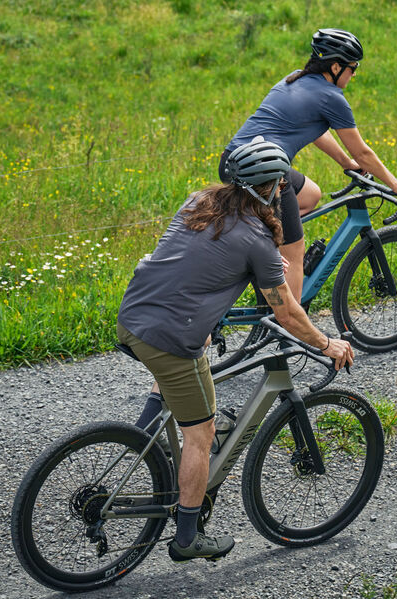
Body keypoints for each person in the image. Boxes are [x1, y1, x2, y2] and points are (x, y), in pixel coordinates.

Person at [117, 138, 355, 562]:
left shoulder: (200, 200)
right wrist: (326, 342)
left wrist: (261, 266)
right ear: (267, 189)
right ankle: (187, 537)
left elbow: (196, 257)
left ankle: (143, 445)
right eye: (280, 184)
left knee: (193, 359)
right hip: (171, 338)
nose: (284, 189)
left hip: (135, 316)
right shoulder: (257, 240)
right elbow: (288, 315)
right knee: (201, 433)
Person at [220, 28, 397, 301]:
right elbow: (363, 153)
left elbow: (317, 129)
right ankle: (290, 328)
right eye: (353, 68)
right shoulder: (332, 97)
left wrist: (344, 162)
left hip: (234, 162)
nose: (354, 74)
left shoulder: (295, 79)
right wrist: (396, 185)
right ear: (336, 67)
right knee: (295, 251)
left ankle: (263, 254)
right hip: (263, 175)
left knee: (311, 194)